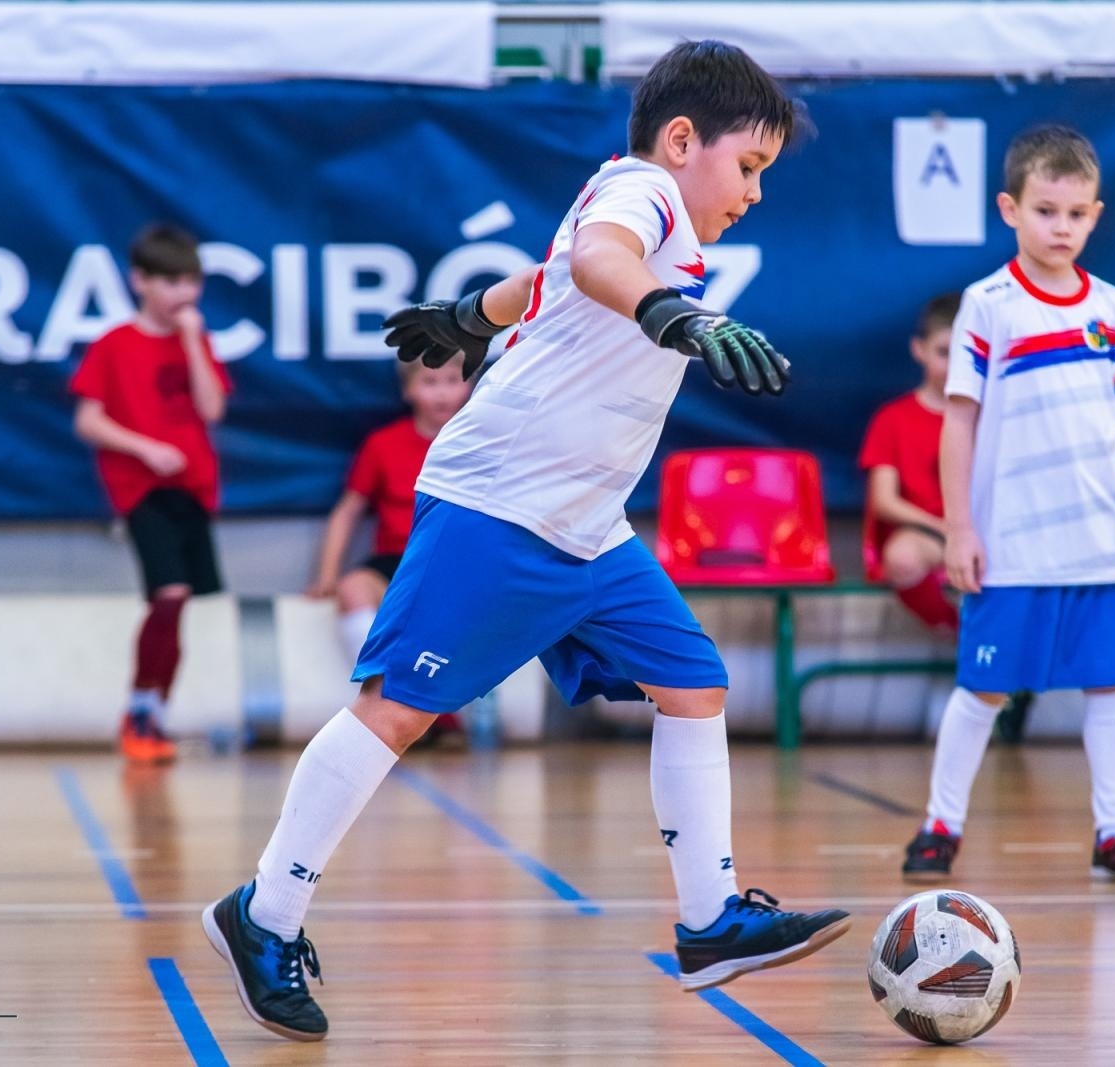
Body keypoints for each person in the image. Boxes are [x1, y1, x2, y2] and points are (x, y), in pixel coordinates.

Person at [202, 40, 849, 1043]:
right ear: (682, 141)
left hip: (587, 523)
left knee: (694, 680)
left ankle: (710, 921)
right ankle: (264, 912)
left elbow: (556, 271)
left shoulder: (646, 211)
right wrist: (674, 318)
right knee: (395, 711)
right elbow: (595, 264)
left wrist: (470, 315)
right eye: (749, 166)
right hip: (501, 500)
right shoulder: (642, 189)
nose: (755, 193)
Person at [900, 125, 1115, 886]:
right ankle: (940, 825)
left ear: (1096, 215)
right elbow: (957, 422)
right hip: (1012, 544)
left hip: (1099, 539)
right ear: (1010, 209)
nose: (1061, 227)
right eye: (1046, 210)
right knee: (984, 687)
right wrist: (960, 526)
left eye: (1076, 213)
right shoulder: (987, 306)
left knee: (1110, 683)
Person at [69, 223, 230, 764]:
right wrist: (144, 448)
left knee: (179, 603)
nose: (183, 294)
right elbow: (89, 421)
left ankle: (153, 713)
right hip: (142, 490)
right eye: (170, 282)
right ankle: (139, 708)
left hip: (193, 488)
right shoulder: (113, 345)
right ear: (140, 281)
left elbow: (211, 409)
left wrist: (190, 340)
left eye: (191, 281)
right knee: (169, 593)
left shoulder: (197, 342)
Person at [307, 358, 474, 664]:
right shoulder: (383, 444)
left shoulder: (483, 444)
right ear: (407, 389)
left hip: (457, 561)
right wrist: (327, 576)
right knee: (353, 588)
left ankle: (446, 701)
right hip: (396, 561)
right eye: (429, 382)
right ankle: (382, 682)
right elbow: (348, 511)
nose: (442, 394)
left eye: (453, 380)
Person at [859, 292, 961, 633]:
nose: (955, 364)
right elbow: (884, 502)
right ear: (919, 349)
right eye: (945, 352)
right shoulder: (893, 418)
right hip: (927, 535)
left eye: (966, 351)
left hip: (983, 532)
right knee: (902, 558)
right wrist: (941, 526)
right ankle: (957, 631)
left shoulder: (989, 416)